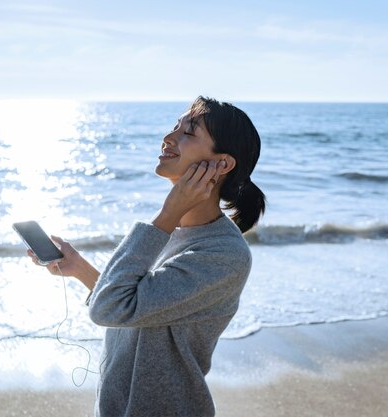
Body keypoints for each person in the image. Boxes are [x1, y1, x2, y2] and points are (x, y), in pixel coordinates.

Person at [28, 96, 266, 417]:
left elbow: (112, 308)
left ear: (221, 164)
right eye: (174, 127)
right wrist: (80, 269)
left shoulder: (223, 255)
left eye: (189, 132)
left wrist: (167, 214)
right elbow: (137, 307)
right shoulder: (169, 232)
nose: (169, 138)